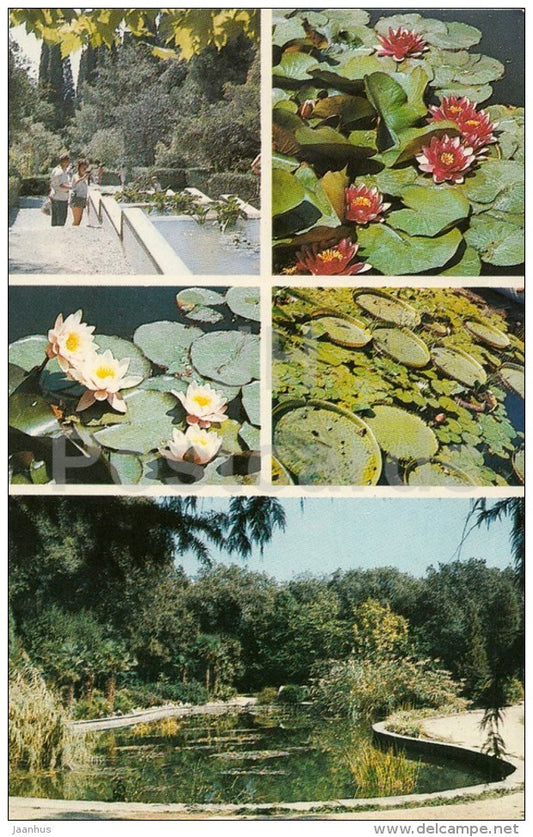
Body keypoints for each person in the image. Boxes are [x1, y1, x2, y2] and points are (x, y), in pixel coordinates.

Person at [49, 152, 71, 226]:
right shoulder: (60, 172)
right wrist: (72, 187)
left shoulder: (57, 170)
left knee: (55, 219)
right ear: (64, 162)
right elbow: (61, 185)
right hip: (60, 198)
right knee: (61, 220)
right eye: (68, 161)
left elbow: (51, 182)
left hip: (56, 197)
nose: (68, 163)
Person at [70, 158, 91, 226]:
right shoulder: (76, 176)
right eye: (83, 167)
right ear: (79, 168)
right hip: (76, 198)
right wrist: (84, 177)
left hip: (82, 198)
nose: (84, 169)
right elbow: (77, 181)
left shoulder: (84, 178)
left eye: (85, 168)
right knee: (76, 220)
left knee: (79, 220)